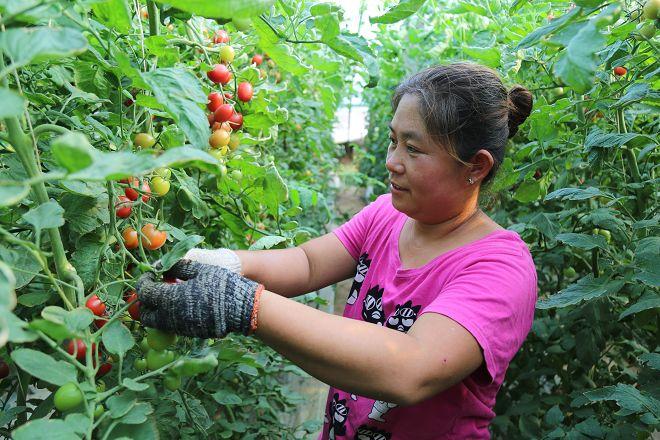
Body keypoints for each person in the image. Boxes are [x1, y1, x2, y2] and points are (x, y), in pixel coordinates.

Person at [137, 62, 537, 439]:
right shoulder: (386, 215)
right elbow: (308, 263)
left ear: (477, 167)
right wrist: (229, 263)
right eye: (393, 141)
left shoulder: (500, 268)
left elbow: (411, 368)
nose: (391, 161)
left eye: (413, 150)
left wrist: (248, 307)